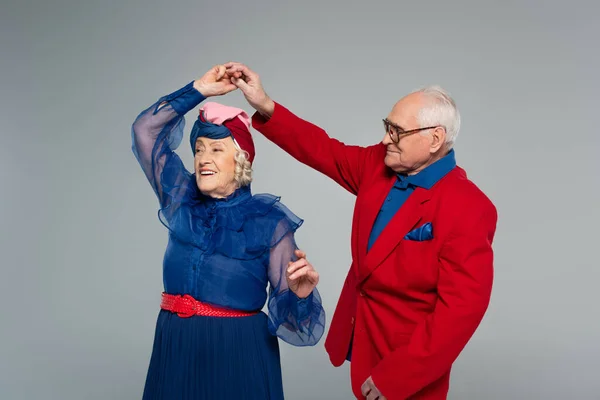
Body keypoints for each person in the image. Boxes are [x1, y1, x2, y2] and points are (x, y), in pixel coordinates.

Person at [225, 62, 497, 400]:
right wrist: (264, 104)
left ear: (435, 139)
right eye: (387, 126)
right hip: (362, 339)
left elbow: (459, 314)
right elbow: (324, 149)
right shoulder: (377, 165)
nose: (385, 139)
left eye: (396, 131)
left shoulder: (469, 206)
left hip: (409, 364)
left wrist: (398, 376)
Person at [130, 65, 326, 400]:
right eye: (199, 149)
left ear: (241, 159)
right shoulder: (180, 199)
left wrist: (301, 294)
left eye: (216, 149)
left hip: (237, 354)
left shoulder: (268, 222)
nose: (203, 159)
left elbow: (299, 328)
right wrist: (199, 89)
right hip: (174, 347)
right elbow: (145, 131)